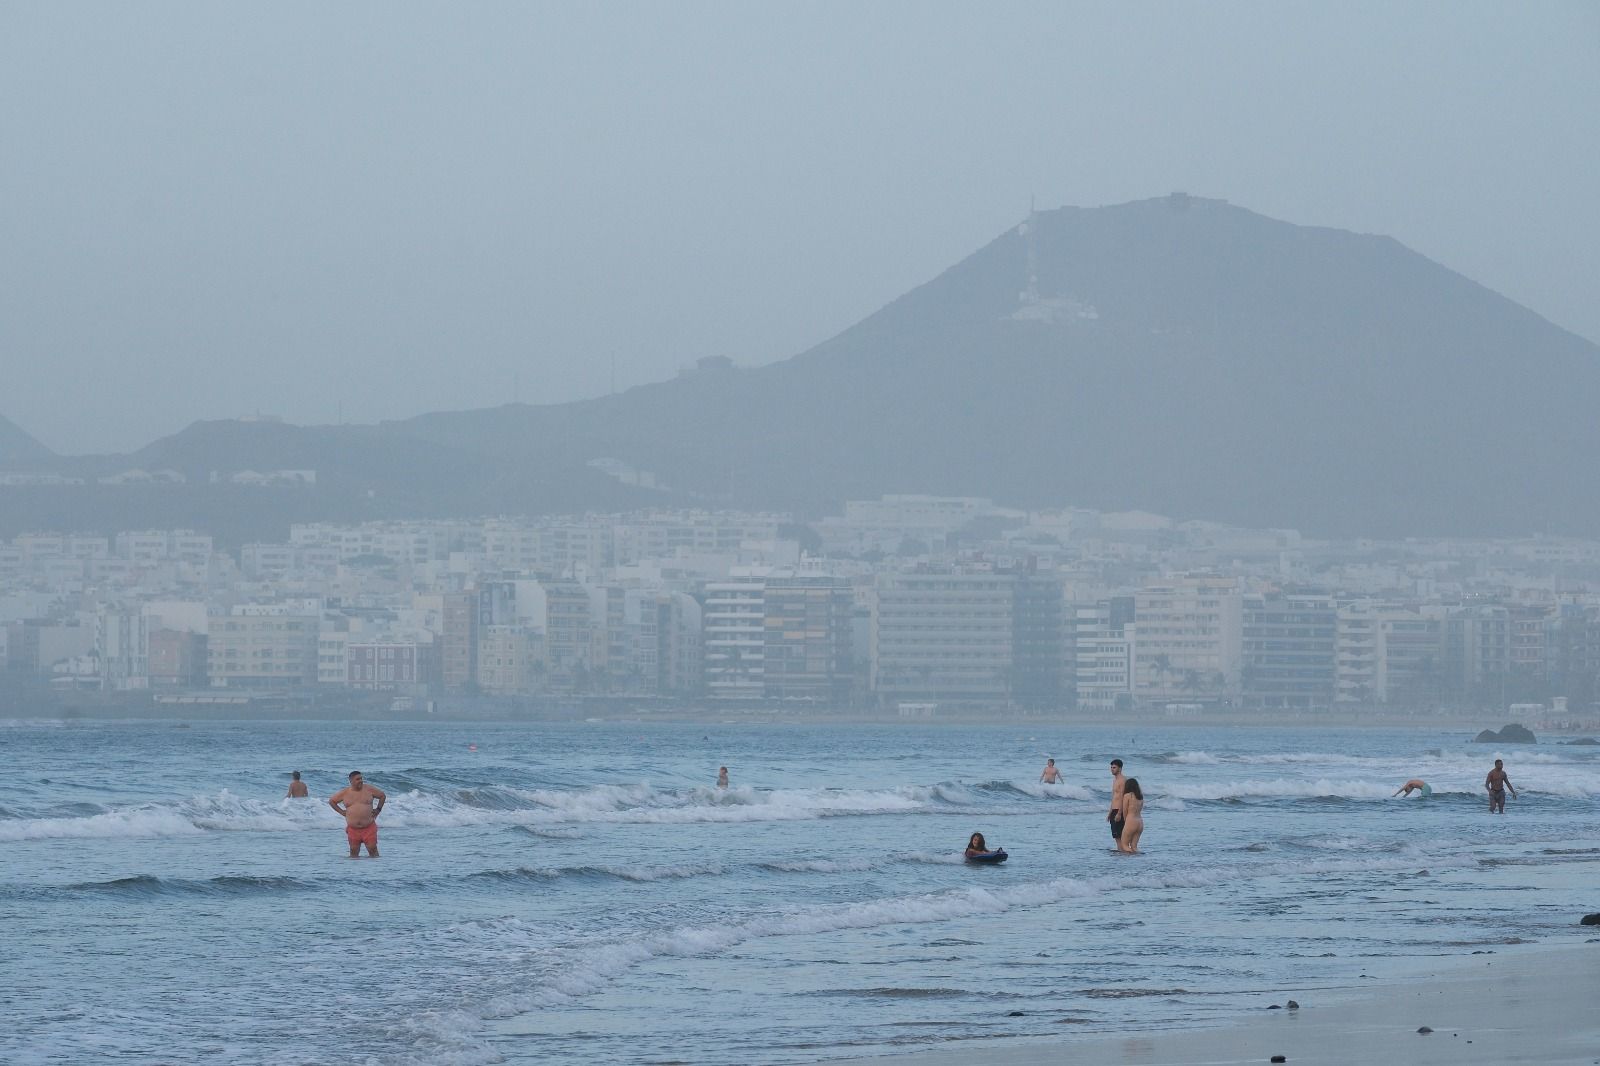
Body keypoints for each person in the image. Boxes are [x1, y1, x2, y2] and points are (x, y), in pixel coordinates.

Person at [329, 770, 386, 857]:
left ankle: (376, 869)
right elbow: (332, 801)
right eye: (357, 779)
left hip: (369, 827)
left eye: (361, 778)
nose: (361, 781)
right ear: (351, 781)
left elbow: (382, 796)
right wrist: (341, 812)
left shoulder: (369, 789)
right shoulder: (345, 793)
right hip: (353, 829)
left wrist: (378, 809)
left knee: (372, 849)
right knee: (353, 852)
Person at [1117, 777, 1144, 854]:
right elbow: (1140, 809)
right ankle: (1137, 858)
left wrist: (1126, 821)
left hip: (1131, 821)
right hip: (1140, 822)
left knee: (1124, 845)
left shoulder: (1127, 796)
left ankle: (1129, 862)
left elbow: (1125, 810)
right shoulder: (1140, 796)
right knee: (1134, 846)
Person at [1107, 759, 1126, 845]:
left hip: (1119, 810)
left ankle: (1122, 855)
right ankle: (1120, 855)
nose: (1112, 769)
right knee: (1116, 837)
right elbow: (1114, 798)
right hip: (1114, 810)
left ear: (1120, 768)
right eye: (1111, 767)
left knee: (1120, 837)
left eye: (1114, 767)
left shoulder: (1122, 780)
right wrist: (1109, 813)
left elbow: (1123, 797)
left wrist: (1119, 813)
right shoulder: (1115, 780)